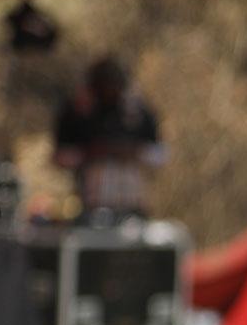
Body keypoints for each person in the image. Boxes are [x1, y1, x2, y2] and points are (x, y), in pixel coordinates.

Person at [51, 57, 164, 223]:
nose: (110, 91)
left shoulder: (137, 112)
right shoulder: (78, 112)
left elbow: (160, 154)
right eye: (105, 85)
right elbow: (59, 156)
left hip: (133, 204)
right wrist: (90, 154)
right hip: (91, 204)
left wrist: (132, 151)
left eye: (114, 85)